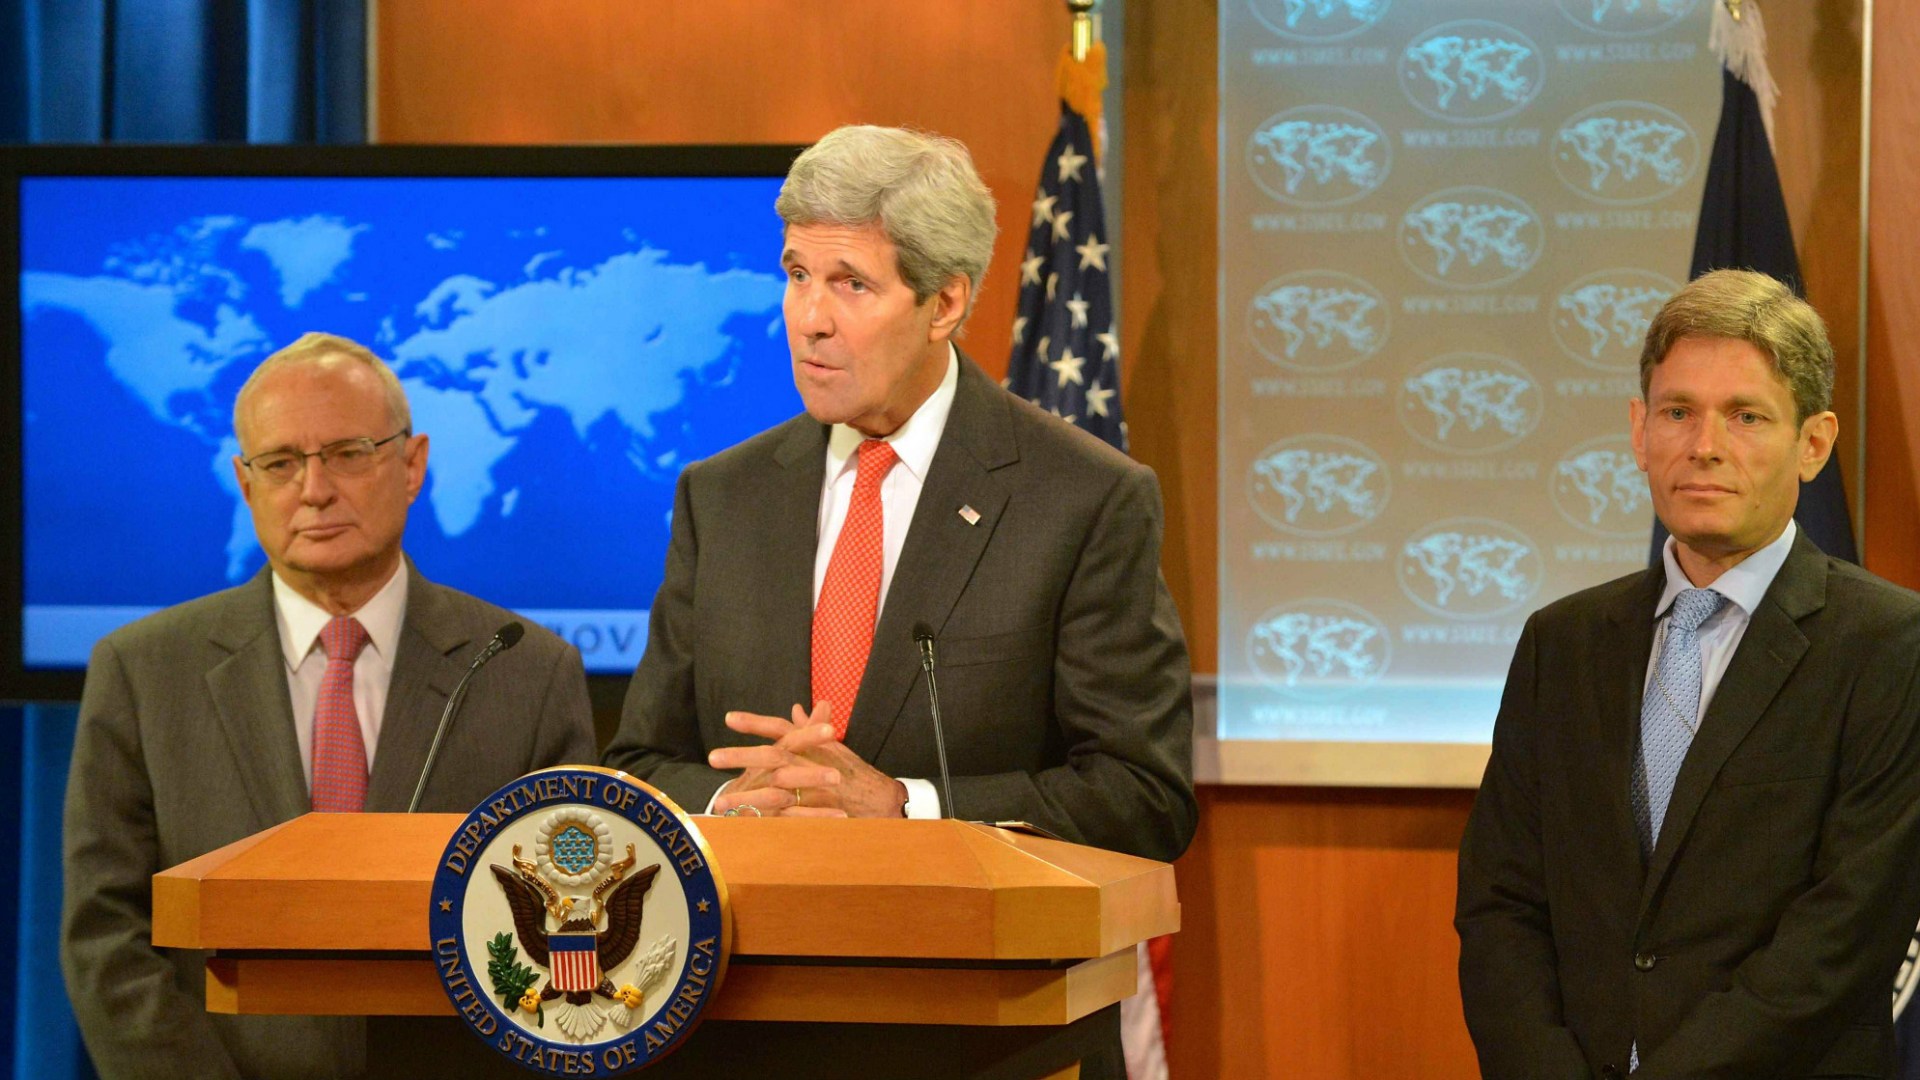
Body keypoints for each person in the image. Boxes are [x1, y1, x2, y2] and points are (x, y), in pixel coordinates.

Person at [601, 124, 1195, 863]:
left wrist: (905, 807)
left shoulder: (1083, 500)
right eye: (796, 275)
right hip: (749, 964)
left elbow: (1143, 797)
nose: (809, 319)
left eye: (851, 283)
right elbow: (638, 768)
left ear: (944, 304)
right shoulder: (722, 497)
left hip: (972, 969)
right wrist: (734, 802)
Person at [61, 333, 597, 1080]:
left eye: (349, 453)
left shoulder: (525, 670)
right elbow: (104, 937)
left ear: (412, 466)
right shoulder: (144, 671)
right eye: (281, 464)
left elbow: (567, 929)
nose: (314, 489)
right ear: (246, 486)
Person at [1456, 269, 1920, 1079]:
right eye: (1678, 412)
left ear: (1814, 443)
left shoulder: (1890, 645)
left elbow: (1841, 938)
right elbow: (1502, 906)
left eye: (1746, 416)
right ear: (1639, 432)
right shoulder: (1559, 644)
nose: (1704, 445)